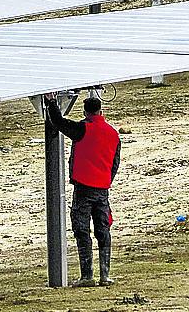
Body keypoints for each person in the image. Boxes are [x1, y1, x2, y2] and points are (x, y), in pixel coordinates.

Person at [44, 93, 121, 287]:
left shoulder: (82, 128)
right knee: (103, 230)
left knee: (82, 230)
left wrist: (51, 101)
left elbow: (58, 122)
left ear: (86, 112)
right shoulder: (113, 134)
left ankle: (87, 275)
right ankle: (105, 275)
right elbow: (115, 163)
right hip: (102, 189)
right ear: (101, 111)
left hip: (84, 188)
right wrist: (104, 181)